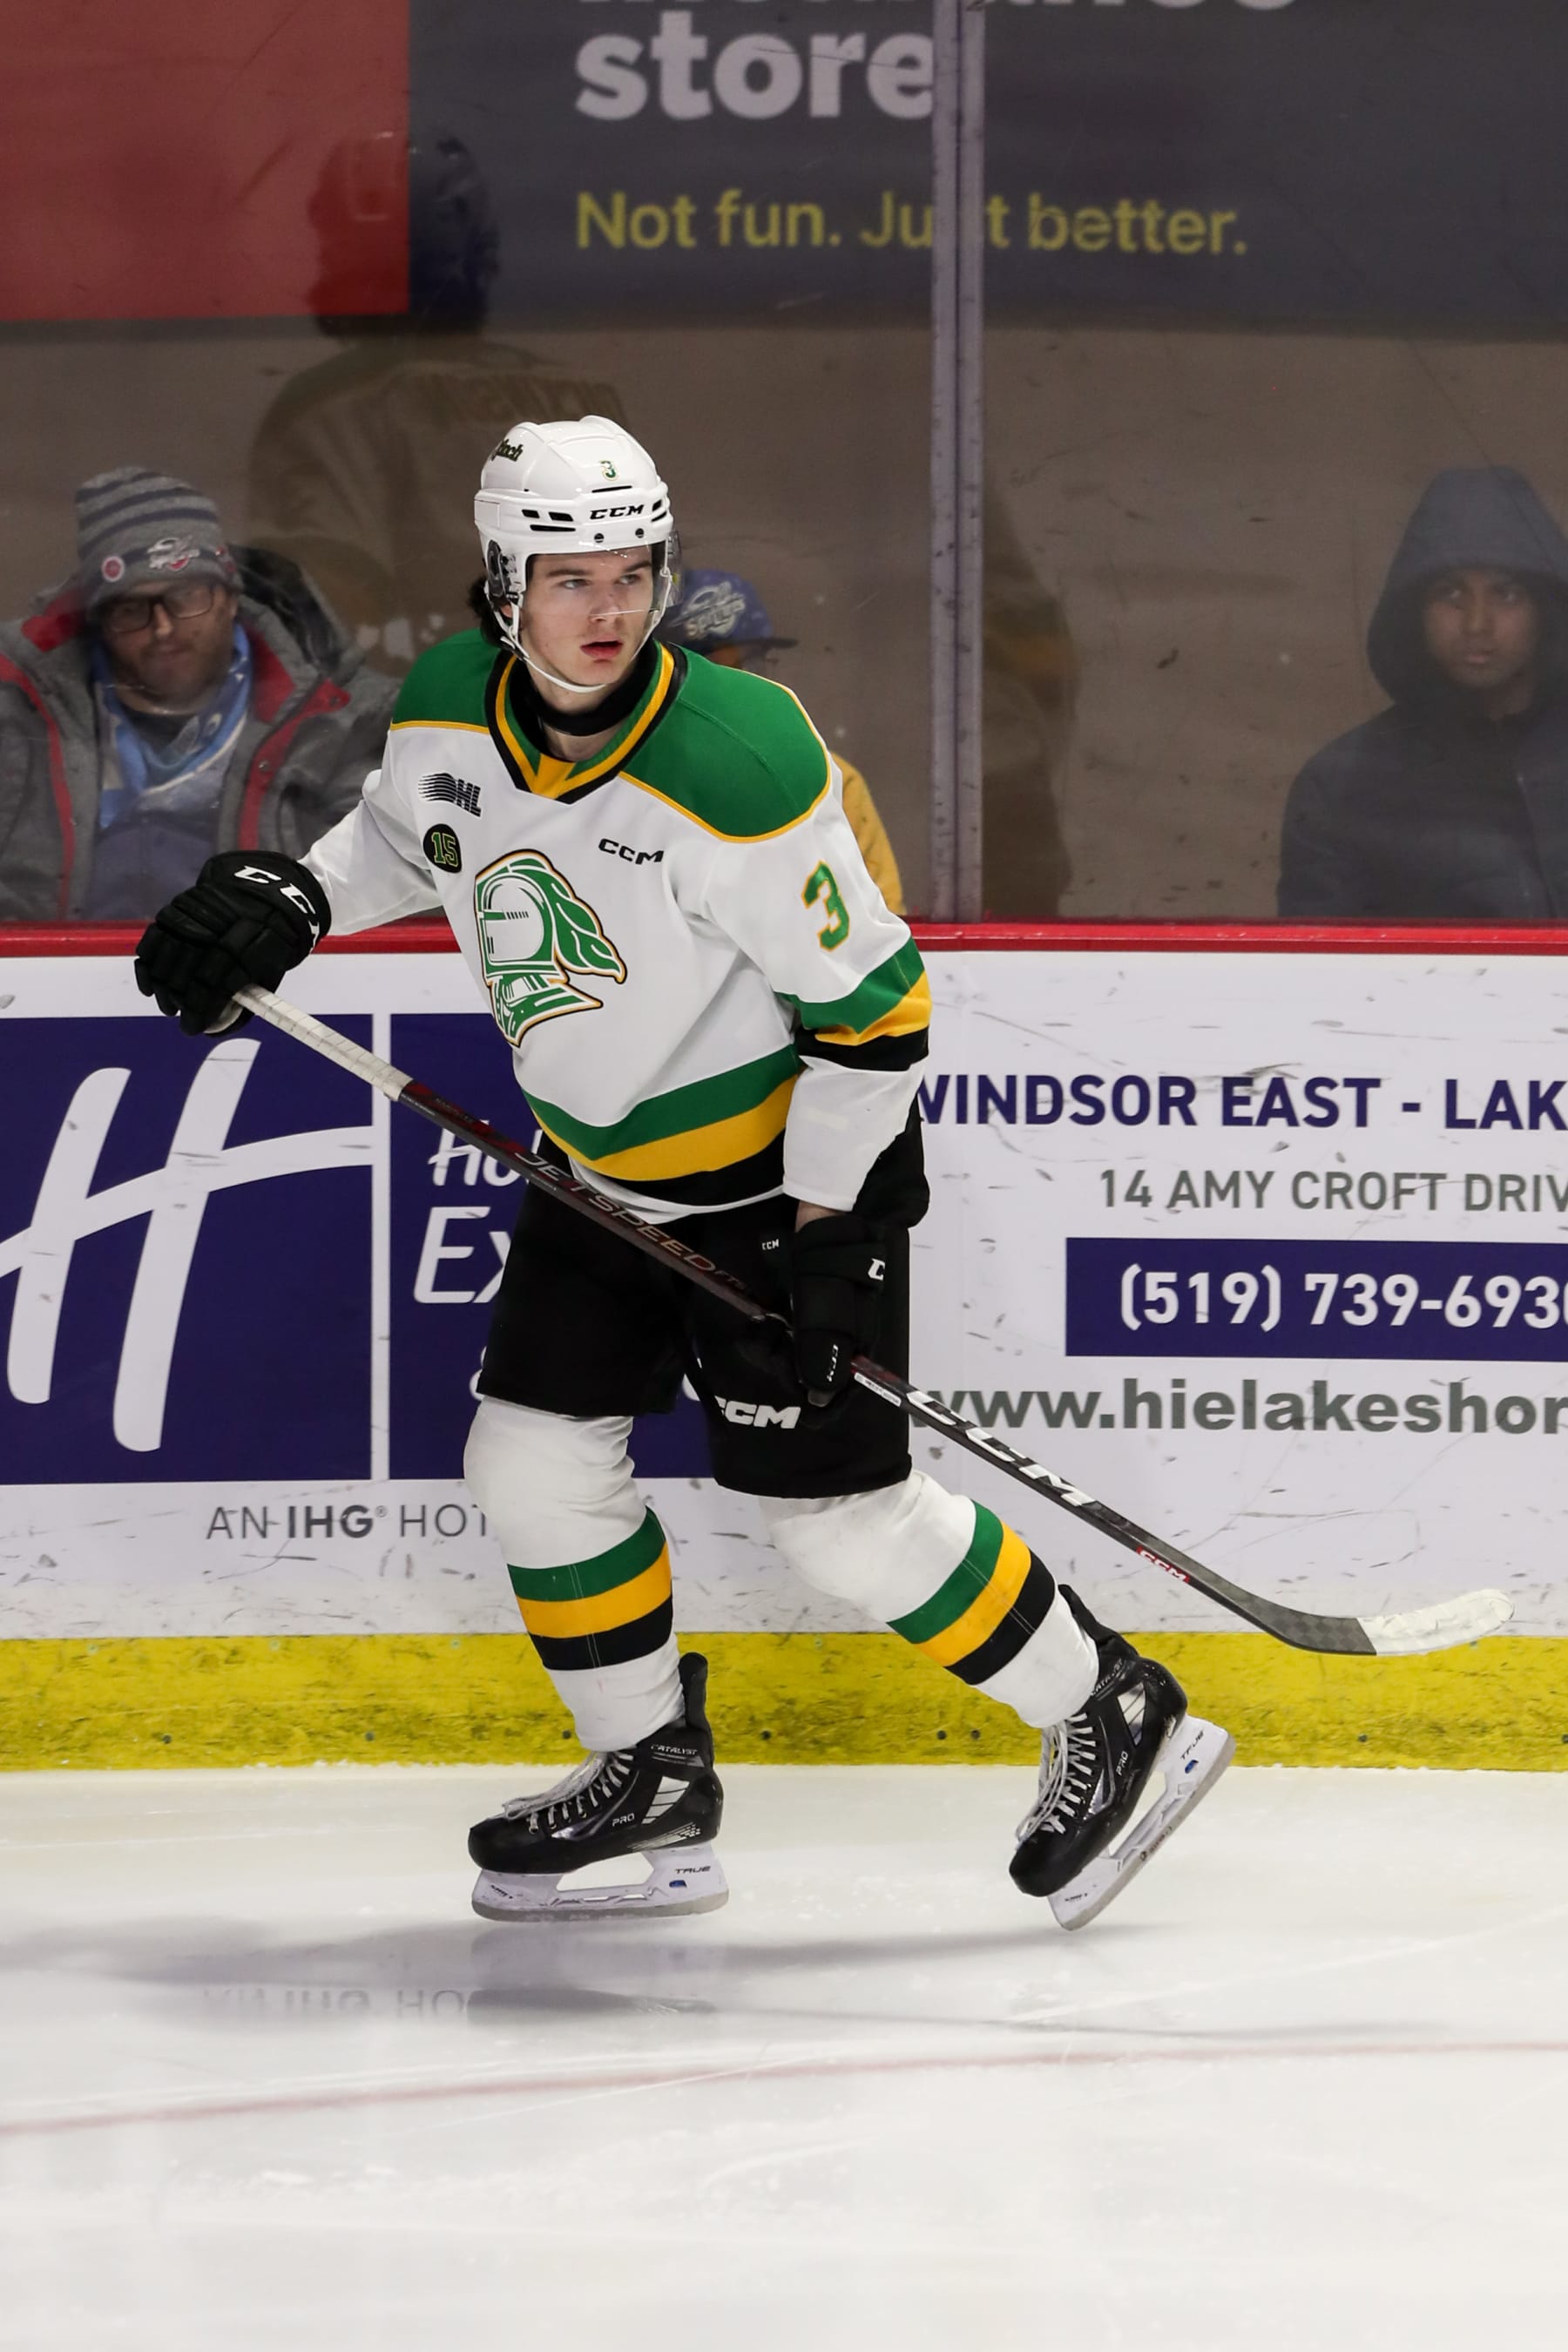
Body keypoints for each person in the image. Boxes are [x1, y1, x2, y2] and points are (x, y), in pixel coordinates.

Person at [134, 416, 1232, 1928]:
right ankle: (649, 1773)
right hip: (598, 1180)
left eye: (633, 571)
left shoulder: (741, 761)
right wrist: (293, 897)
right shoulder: (450, 703)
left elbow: (877, 1016)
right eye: (570, 577)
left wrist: (831, 1236)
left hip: (784, 1186)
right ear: (501, 586)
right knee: (530, 1468)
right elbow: (414, 834)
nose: (610, 607)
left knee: (836, 1520)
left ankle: (1109, 1703)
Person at [247, 134, 632, 675]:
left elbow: (328, 610)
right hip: (588, 694)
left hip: (434, 701)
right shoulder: (583, 395)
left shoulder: (331, 405)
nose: (322, 255)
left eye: (331, 237)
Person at [0, 466, 395, 921]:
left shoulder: (342, 720)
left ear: (230, 597)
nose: (163, 628)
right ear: (99, 622)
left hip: (264, 964)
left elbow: (381, 898)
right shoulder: (18, 714)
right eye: (131, 608)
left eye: (185, 597)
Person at [1279, 467, 1568, 918]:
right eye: (1450, 593)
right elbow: (1321, 958)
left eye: (1507, 594)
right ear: (1413, 609)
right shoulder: (1342, 786)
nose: (1476, 623)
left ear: (1546, 608)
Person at [660, 565, 907, 914]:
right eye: (715, 670)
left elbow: (883, 921)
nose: (741, 683)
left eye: (754, 664)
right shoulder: (620, 777)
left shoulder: (828, 778)